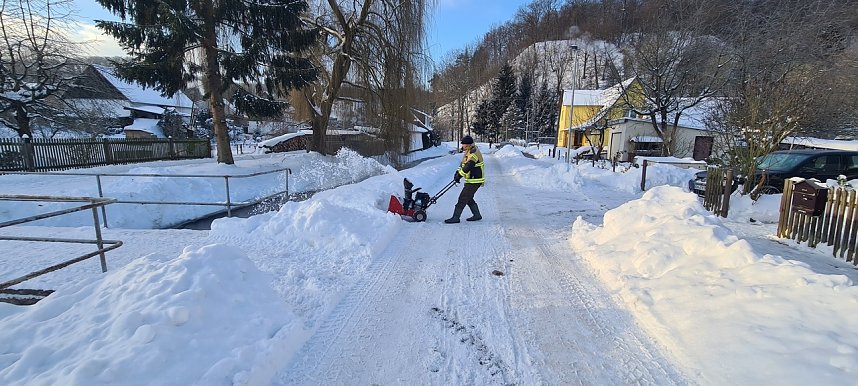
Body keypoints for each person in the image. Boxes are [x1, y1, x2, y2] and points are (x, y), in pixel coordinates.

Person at [445, 135, 485, 224]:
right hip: (471, 180)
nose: (462, 146)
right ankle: (477, 215)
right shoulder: (468, 151)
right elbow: (463, 165)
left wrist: (460, 175)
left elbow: (469, 166)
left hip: (475, 180)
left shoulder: (474, 153)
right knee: (468, 198)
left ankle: (456, 217)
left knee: (463, 198)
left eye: (463, 144)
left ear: (468, 145)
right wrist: (457, 173)